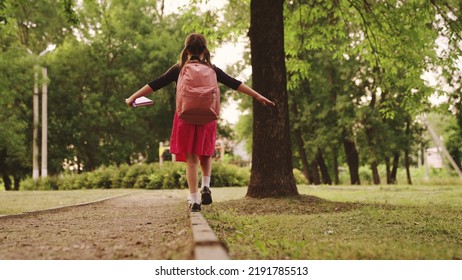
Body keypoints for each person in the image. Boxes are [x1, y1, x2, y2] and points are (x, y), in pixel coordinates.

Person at [126, 33, 275, 212]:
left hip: (185, 118)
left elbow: (155, 84)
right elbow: (234, 83)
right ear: (204, 50)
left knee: (191, 160)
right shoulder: (212, 69)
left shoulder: (179, 69)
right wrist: (257, 95)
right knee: (206, 152)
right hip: (207, 117)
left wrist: (133, 97)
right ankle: (206, 185)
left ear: (186, 49)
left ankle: (195, 201)